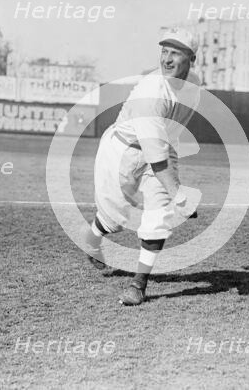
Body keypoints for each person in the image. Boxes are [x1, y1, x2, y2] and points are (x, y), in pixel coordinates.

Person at [82, 28, 202, 306]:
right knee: (115, 218)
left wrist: (172, 192)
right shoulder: (151, 93)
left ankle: (138, 285)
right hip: (122, 149)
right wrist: (179, 193)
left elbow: (161, 151)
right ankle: (93, 237)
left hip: (160, 147)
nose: (167, 59)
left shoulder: (194, 82)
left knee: (158, 219)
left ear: (191, 59)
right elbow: (156, 160)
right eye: (164, 51)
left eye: (176, 53)